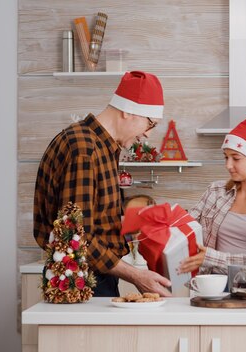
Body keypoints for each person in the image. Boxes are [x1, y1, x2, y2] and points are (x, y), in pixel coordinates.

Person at [33, 71, 172, 297]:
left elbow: (92, 221)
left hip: (94, 276)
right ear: (128, 111)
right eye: (150, 124)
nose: (146, 135)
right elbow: (76, 238)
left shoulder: (100, 146)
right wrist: (137, 276)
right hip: (80, 282)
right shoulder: (85, 150)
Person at [177, 117, 246, 297]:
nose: (228, 165)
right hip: (215, 286)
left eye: (235, 158)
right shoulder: (215, 192)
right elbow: (186, 226)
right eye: (226, 157)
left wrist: (213, 258)